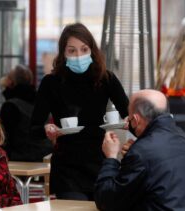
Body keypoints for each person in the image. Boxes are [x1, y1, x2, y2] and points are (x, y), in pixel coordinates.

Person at [30, 23, 129, 200]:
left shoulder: (106, 78)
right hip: (67, 167)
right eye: (72, 50)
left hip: (100, 160)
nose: (79, 56)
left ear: (92, 50)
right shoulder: (51, 83)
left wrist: (130, 123)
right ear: (63, 53)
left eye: (84, 49)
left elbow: (128, 112)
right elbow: (34, 128)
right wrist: (47, 129)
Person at [94, 89, 185, 211]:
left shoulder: (141, 153)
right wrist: (138, 150)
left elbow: (106, 202)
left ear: (135, 120)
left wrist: (111, 158)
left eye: (129, 120)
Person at [0, 64, 53, 161]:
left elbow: (4, 139)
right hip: (46, 154)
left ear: (11, 82)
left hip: (23, 157)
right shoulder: (40, 100)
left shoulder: (10, 106)